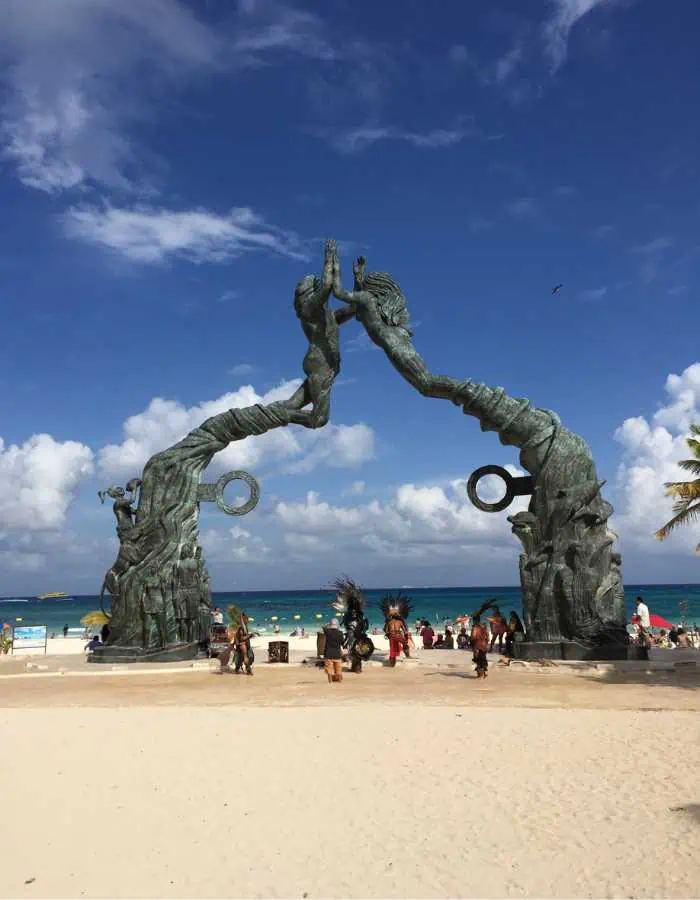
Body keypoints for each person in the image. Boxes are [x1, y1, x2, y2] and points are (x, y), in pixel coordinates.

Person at [323, 618, 344, 684]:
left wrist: (328, 625)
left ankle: (330, 681)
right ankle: (339, 681)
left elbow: (323, 626)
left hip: (328, 654)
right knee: (338, 670)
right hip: (337, 654)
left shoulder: (327, 632)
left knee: (329, 670)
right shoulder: (340, 633)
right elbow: (342, 643)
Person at [470, 615, 490, 679]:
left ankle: (480, 676)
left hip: (477, 645)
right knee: (483, 659)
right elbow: (488, 637)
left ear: (474, 620)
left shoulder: (475, 627)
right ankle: (484, 674)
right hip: (484, 646)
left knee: (478, 660)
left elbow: (473, 637)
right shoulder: (484, 627)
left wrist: (470, 640)